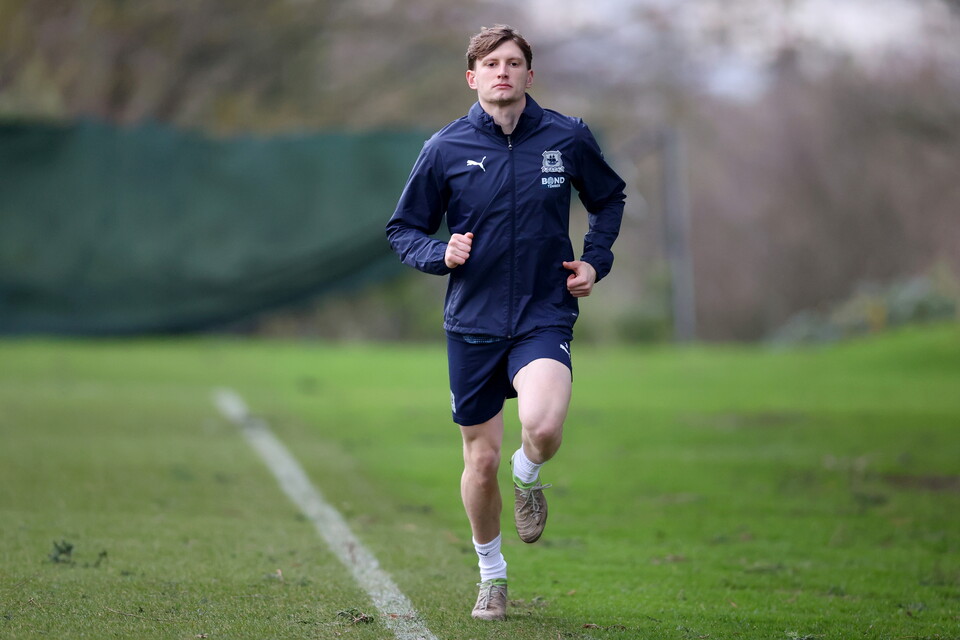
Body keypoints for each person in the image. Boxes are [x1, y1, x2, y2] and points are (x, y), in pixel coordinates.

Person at [385, 24, 626, 621]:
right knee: (480, 461)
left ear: (529, 75)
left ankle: (530, 474)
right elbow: (404, 228)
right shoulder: (444, 147)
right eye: (491, 63)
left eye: (514, 62)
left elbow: (609, 198)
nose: (503, 71)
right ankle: (491, 574)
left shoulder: (566, 138)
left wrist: (595, 261)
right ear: (473, 77)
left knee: (542, 429)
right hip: (473, 321)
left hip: (543, 315)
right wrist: (438, 255)